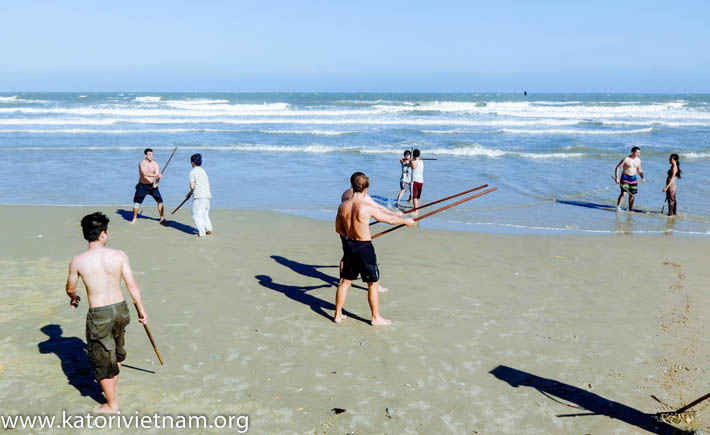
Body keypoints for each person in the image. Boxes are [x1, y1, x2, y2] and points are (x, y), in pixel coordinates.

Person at [65, 212, 148, 413]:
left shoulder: (78, 261)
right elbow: (132, 286)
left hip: (99, 313)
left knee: (102, 360)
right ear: (103, 234)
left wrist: (74, 298)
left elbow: (70, 288)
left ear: (86, 235)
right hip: (120, 309)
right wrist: (142, 312)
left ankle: (111, 405)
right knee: (116, 349)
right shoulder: (119, 255)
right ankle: (113, 387)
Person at [334, 172, 414, 326]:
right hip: (364, 248)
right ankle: (376, 318)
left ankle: (338, 314)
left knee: (345, 282)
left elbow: (338, 229)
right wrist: (405, 221)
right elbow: (388, 220)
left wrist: (352, 236)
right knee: (372, 283)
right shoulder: (365, 206)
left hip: (350, 246)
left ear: (352, 185)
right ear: (366, 188)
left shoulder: (343, 206)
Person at [339, 185, 402, 293]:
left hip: (345, 230)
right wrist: (394, 214)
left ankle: (343, 280)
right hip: (360, 238)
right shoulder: (364, 197)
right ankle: (375, 285)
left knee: (346, 255)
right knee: (369, 259)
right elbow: (378, 208)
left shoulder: (345, 193)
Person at [131, 148, 165, 224]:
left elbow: (157, 176)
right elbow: (144, 174)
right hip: (142, 186)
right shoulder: (142, 163)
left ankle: (162, 218)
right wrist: (157, 174)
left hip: (152, 186)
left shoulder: (155, 164)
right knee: (137, 203)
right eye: (149, 154)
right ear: (145, 155)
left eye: (152, 154)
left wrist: (157, 182)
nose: (151, 156)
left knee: (160, 201)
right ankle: (134, 218)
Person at [185, 153, 213, 237]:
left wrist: (189, 194)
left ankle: (202, 233)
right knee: (204, 214)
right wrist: (189, 194)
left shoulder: (192, 172)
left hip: (199, 196)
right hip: (207, 195)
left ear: (192, 163)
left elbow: (192, 187)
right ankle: (208, 229)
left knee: (196, 215)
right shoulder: (203, 170)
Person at [614, 146, 645, 211]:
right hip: (625, 177)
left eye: (639, 153)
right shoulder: (626, 159)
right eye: (637, 152)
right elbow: (617, 167)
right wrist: (617, 178)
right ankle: (618, 207)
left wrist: (642, 177)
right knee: (623, 193)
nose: (638, 154)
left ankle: (630, 209)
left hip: (633, 178)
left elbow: (639, 169)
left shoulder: (638, 160)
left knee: (632, 195)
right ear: (632, 152)